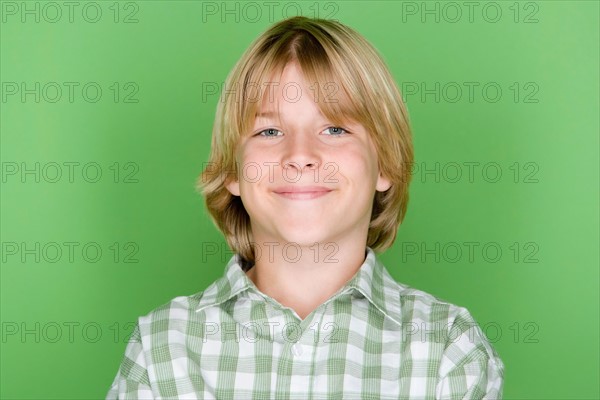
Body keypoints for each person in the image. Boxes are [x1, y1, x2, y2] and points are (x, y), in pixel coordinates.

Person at [107, 16, 504, 399]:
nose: (300, 155)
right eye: (270, 131)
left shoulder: (448, 349)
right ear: (232, 170)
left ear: (384, 163)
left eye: (335, 129)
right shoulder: (164, 349)